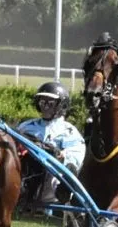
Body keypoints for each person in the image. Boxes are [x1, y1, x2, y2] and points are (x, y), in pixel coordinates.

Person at [19, 80, 84, 211]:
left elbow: (77, 155)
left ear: (61, 105)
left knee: (60, 170)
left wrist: (61, 156)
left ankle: (64, 191)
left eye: (50, 103)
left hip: (53, 177)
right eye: (42, 102)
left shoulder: (68, 131)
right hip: (27, 174)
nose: (45, 106)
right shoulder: (26, 127)